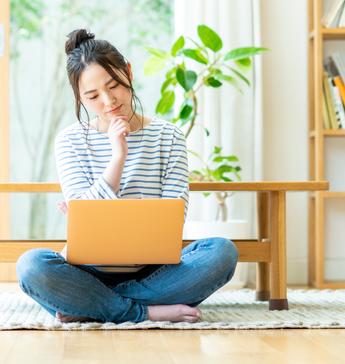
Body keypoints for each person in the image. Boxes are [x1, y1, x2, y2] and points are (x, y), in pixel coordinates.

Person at [16, 29, 239, 324]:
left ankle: (92, 306)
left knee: (222, 252)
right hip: (87, 271)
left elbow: (172, 219)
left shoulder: (168, 135)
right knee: (31, 266)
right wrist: (117, 157)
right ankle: (145, 311)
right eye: (93, 96)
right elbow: (87, 222)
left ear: (128, 73)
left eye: (113, 86)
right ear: (80, 99)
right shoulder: (69, 140)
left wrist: (96, 211)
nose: (108, 101)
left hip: (153, 272)